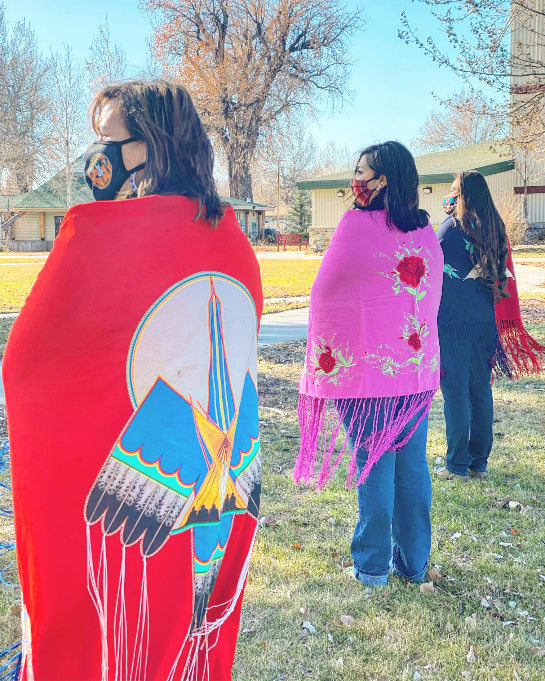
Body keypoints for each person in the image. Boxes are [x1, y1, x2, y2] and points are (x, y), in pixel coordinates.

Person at [3, 80, 263, 681]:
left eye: (108, 141)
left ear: (149, 149)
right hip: (215, 497)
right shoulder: (233, 239)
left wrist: (98, 212)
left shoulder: (102, 238)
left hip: (156, 483)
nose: (96, 156)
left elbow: (26, 365)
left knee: (113, 634)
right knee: (179, 631)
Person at [294, 141, 444, 587]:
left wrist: (334, 353)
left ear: (381, 180)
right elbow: (430, 298)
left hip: (369, 380)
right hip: (415, 375)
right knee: (412, 468)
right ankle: (414, 565)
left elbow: (324, 295)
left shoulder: (354, 227)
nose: (354, 179)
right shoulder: (424, 232)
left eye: (360, 170)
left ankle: (373, 568)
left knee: (375, 466)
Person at [434, 170, 545, 482]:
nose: (449, 196)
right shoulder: (495, 228)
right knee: (480, 390)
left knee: (456, 392)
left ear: (464, 195)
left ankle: (456, 465)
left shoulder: (451, 229)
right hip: (485, 321)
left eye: (453, 191)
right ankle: (478, 463)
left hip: (453, 322)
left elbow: (430, 264)